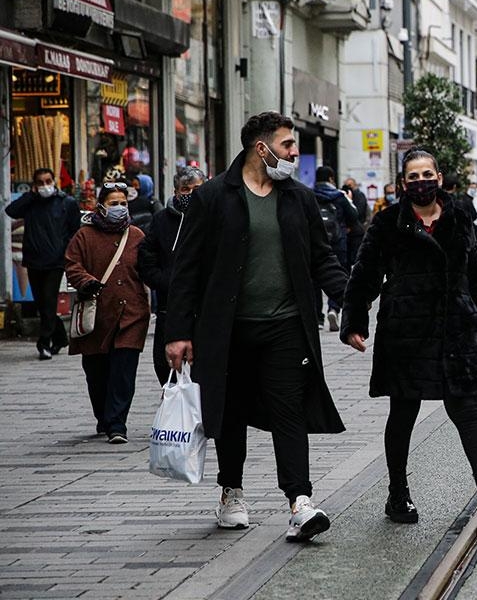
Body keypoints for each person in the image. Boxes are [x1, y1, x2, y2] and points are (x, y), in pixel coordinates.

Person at [165, 111, 349, 543]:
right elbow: (186, 270)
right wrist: (178, 332)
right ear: (260, 147)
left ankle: (300, 502)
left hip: (285, 326)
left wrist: (350, 301)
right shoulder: (213, 197)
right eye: (287, 145)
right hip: (227, 329)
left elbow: (322, 258)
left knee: (290, 412)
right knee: (230, 415)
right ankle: (231, 493)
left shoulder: (298, 198)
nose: (294, 154)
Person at [341, 149, 477, 528]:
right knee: (403, 413)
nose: (421, 182)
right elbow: (364, 275)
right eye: (413, 176)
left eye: (427, 174)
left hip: (455, 331)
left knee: (467, 409)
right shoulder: (387, 224)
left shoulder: (459, 218)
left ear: (439, 176)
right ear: (404, 184)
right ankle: (397, 493)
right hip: (406, 332)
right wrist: (354, 322)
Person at [64, 184, 148, 443]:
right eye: (113, 203)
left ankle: (117, 423)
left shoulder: (136, 235)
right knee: (97, 372)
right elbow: (72, 264)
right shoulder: (84, 236)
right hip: (96, 315)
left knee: (124, 370)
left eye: (123, 202)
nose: (119, 208)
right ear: (100, 205)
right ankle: (103, 416)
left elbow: (150, 267)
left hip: (131, 313)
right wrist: (86, 280)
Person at [137, 166, 206, 385]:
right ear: (176, 191)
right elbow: (146, 259)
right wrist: (167, 282)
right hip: (170, 308)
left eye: (197, 189)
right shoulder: (161, 220)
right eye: (186, 189)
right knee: (167, 368)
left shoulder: (215, 218)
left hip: (206, 311)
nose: (192, 194)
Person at [6, 168, 82, 360]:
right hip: (33, 259)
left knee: (48, 299)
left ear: (54, 181)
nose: (45, 185)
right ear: (35, 185)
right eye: (40, 182)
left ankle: (44, 343)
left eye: (48, 181)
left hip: (55, 261)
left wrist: (66, 251)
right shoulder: (31, 203)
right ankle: (61, 337)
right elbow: (11, 211)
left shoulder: (66, 202)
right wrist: (30, 195)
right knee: (41, 303)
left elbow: (75, 230)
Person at [313, 166, 359, 331]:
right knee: (337, 273)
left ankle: (317, 317)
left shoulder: (309, 195)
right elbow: (354, 217)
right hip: (338, 242)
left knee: (314, 277)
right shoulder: (340, 196)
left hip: (316, 242)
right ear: (331, 178)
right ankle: (334, 308)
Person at [342, 177, 371, 268]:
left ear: (355, 185)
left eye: (350, 185)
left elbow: (358, 212)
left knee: (355, 257)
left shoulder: (359, 195)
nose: (348, 188)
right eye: (346, 186)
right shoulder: (343, 196)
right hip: (348, 233)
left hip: (357, 232)